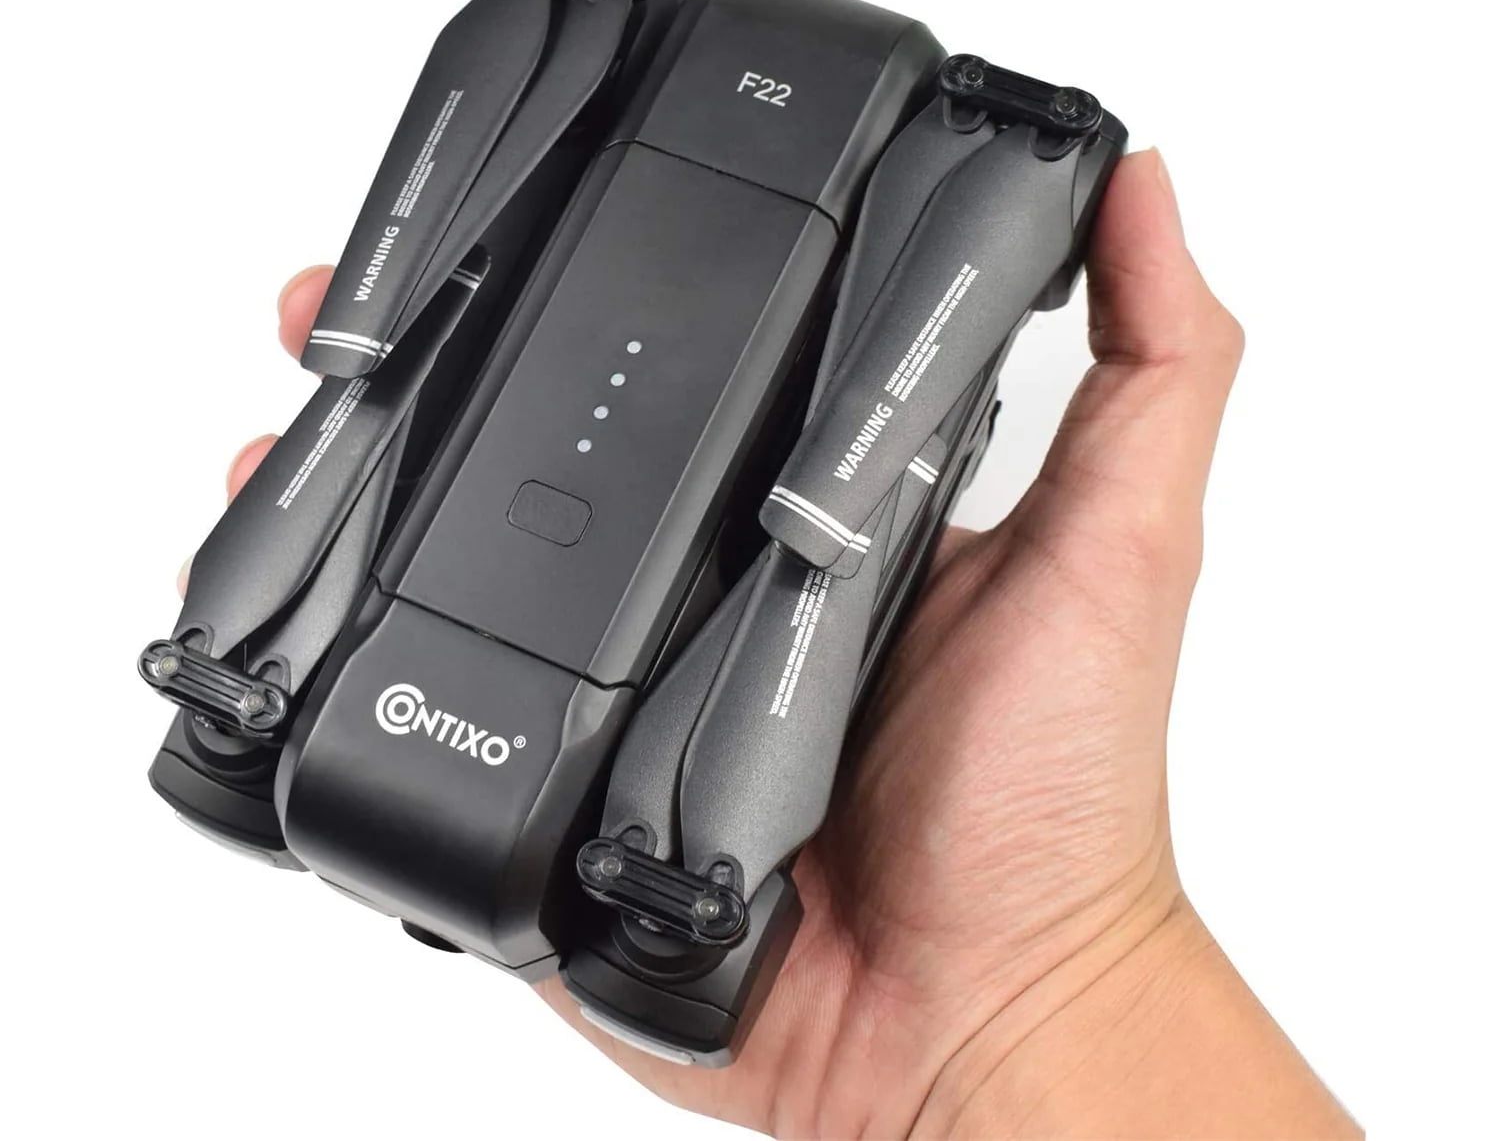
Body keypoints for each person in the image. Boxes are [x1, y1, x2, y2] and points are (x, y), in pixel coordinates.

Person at [220, 151, 1358, 1139]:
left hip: (632, 843)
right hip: (641, 868)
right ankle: (252, 739)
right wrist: (1037, 1004)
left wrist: (1034, 998)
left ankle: (240, 747)